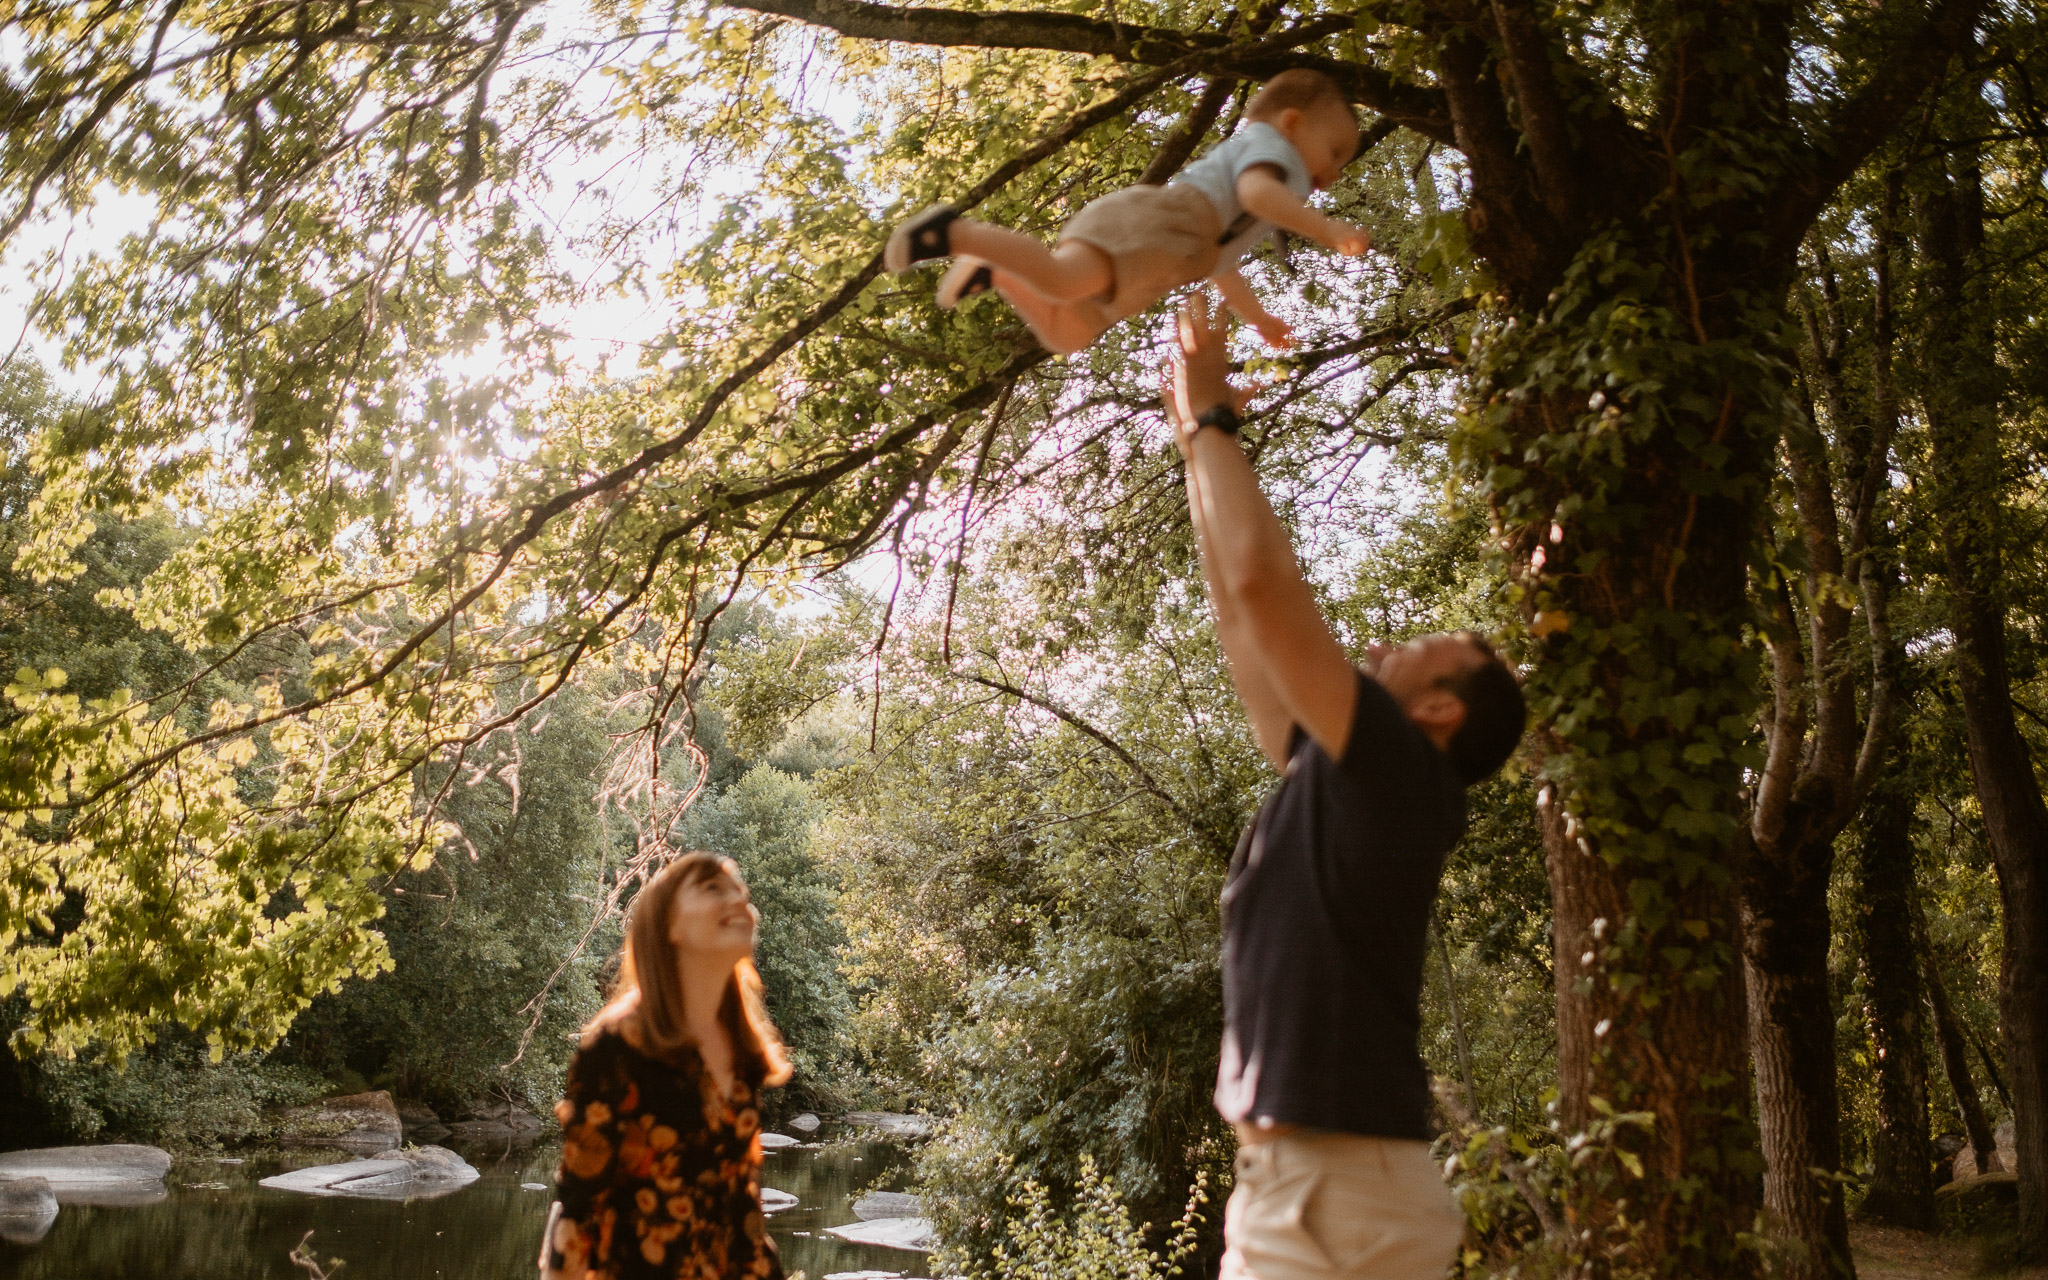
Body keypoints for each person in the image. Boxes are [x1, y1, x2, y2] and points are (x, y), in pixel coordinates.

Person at [1163, 294, 1527, 1280]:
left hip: (1334, 1195)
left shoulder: (1399, 772)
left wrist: (1214, 421)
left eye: (1415, 646)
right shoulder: (1337, 776)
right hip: (1307, 1191)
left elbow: (1263, 588)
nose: (1378, 642)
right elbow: (1240, 621)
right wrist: (1195, 446)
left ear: (1441, 711)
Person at [883, 69, 1373, 355]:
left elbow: (1223, 268)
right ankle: (956, 234)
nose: (1333, 173)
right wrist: (1328, 229)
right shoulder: (1274, 152)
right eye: (1334, 152)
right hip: (1165, 223)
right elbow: (1257, 196)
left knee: (1067, 334)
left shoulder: (1271, 194)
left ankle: (998, 270)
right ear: (1292, 123)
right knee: (1060, 280)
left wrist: (1258, 317)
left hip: (1176, 258)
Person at [539, 852, 793, 1280]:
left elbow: (741, 1212)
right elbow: (577, 1214)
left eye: (742, 893)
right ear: (668, 926)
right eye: (713, 888)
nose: (740, 902)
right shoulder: (616, 1047)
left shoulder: (743, 1051)